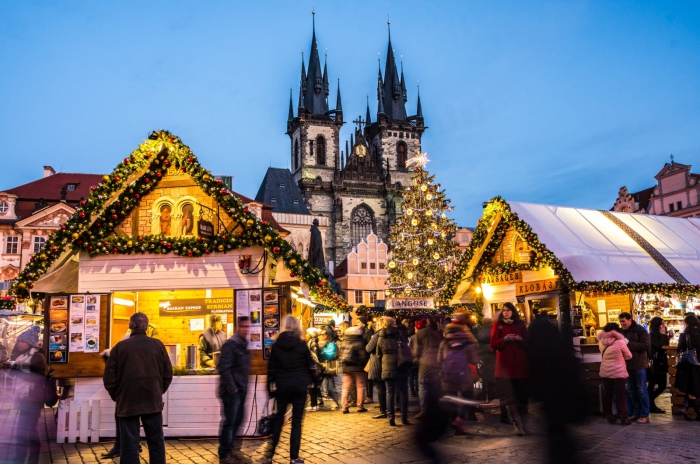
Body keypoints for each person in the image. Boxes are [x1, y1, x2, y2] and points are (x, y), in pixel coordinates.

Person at [103, 313, 173, 464]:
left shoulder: (119, 348)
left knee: (129, 446)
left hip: (127, 402)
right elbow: (168, 374)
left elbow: (109, 378)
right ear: (147, 327)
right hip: (152, 401)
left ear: (130, 326)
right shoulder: (158, 345)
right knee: (156, 443)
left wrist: (118, 396)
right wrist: (157, 391)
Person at [264, 315, 315, 464]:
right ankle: (294, 457)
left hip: (283, 386)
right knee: (297, 422)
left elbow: (271, 368)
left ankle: (269, 456)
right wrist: (313, 383)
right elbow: (310, 365)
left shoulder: (276, 345)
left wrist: (270, 387)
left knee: (278, 420)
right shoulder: (301, 344)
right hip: (300, 385)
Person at [3, 326, 46, 464]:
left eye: (23, 342)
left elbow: (36, 378)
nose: (19, 344)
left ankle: (20, 459)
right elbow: (22, 375)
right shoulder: (22, 357)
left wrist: (15, 371)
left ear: (31, 343)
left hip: (33, 399)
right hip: (25, 398)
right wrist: (12, 370)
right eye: (19, 341)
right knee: (29, 432)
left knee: (24, 433)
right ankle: (28, 460)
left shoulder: (37, 357)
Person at [490, 302, 528, 436]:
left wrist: (520, 339)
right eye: (504, 310)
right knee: (510, 397)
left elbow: (528, 343)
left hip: (520, 366)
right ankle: (517, 423)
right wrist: (504, 339)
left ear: (513, 311)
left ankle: (522, 419)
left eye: (508, 310)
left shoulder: (520, 325)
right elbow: (493, 345)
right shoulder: (498, 325)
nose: (506, 312)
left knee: (522, 396)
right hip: (505, 368)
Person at [217, 316, 251, 463]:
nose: (246, 329)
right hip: (232, 392)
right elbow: (224, 368)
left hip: (240, 390)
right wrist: (233, 389)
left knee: (238, 421)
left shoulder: (243, 344)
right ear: (238, 327)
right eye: (243, 326)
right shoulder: (231, 345)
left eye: (247, 327)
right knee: (230, 423)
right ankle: (224, 454)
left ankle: (232, 450)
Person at [438, 323, 479, 433]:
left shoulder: (444, 342)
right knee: (467, 398)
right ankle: (460, 420)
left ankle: (454, 422)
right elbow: (474, 360)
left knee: (452, 400)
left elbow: (439, 360)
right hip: (465, 377)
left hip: (448, 378)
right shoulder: (467, 343)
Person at [618, 312, 651, 423]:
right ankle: (636, 412)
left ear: (629, 320)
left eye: (624, 321)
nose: (622, 324)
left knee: (642, 390)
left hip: (639, 364)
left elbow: (646, 345)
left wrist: (628, 343)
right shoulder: (621, 332)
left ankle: (645, 414)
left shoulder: (639, 330)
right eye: (620, 322)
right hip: (627, 365)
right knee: (631, 390)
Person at [597, 323, 632, 425]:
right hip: (619, 372)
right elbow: (629, 356)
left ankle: (609, 415)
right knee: (620, 394)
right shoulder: (621, 342)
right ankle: (624, 418)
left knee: (608, 394)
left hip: (605, 372)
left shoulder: (601, 342)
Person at [377, 316, 409, 426]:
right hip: (401, 365)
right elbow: (406, 349)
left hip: (387, 366)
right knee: (404, 391)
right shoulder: (399, 335)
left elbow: (378, 354)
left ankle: (391, 418)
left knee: (389, 392)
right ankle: (404, 417)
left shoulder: (381, 337)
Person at [413, 319, 443, 419]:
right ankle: (435, 409)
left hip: (425, 364)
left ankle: (424, 410)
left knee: (423, 387)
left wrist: (416, 358)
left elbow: (417, 350)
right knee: (435, 388)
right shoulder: (439, 335)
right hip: (437, 364)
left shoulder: (421, 333)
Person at [675, 314, 700, 420]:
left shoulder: (684, 335)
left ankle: (697, 413)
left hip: (689, 366)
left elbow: (680, 349)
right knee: (696, 389)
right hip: (699, 364)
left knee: (691, 390)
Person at [340, 325, 369, 413]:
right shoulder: (360, 342)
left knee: (345, 388)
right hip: (358, 368)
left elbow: (339, 354)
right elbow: (363, 356)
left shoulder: (344, 342)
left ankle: (344, 407)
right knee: (360, 387)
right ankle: (360, 407)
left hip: (346, 368)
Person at [648, 317, 669, 414]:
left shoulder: (658, 334)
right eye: (662, 323)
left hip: (660, 362)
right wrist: (664, 335)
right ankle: (650, 403)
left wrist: (665, 336)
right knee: (654, 384)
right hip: (655, 363)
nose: (663, 325)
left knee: (661, 385)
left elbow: (665, 345)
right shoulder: (653, 334)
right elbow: (660, 346)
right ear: (657, 325)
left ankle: (649, 402)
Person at [366, 318, 387, 419]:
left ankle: (383, 410)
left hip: (377, 364)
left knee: (380, 388)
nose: (375, 326)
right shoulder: (394, 334)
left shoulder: (377, 335)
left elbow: (368, 348)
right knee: (389, 388)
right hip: (388, 364)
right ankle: (388, 409)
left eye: (377, 325)